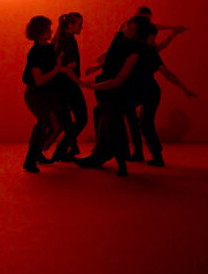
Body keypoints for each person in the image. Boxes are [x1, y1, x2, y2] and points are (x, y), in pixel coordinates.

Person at [76, 16, 152, 176]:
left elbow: (118, 80)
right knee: (105, 124)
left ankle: (119, 162)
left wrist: (92, 86)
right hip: (104, 88)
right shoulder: (119, 38)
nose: (126, 30)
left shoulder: (135, 52)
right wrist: (96, 69)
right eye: (127, 26)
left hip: (117, 91)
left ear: (138, 34)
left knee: (113, 125)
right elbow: (110, 57)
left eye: (131, 29)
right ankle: (99, 158)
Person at [125, 23, 197, 166]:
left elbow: (167, 73)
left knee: (145, 123)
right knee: (141, 122)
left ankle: (156, 156)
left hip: (150, 92)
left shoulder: (149, 52)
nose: (155, 42)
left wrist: (183, 87)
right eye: (152, 39)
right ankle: (147, 154)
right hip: (143, 90)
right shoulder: (137, 49)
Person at [22, 16, 80, 173]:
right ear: (39, 32)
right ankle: (30, 160)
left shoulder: (48, 49)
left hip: (47, 93)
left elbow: (54, 67)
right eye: (48, 29)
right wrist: (57, 70)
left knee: (56, 125)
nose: (51, 31)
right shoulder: (35, 53)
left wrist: (63, 67)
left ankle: (37, 154)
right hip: (35, 94)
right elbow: (39, 80)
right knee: (44, 122)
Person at [51, 13, 88, 161]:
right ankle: (62, 149)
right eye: (79, 25)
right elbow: (67, 68)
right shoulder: (69, 40)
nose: (81, 28)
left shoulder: (60, 38)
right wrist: (81, 82)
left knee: (67, 118)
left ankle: (69, 147)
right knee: (82, 118)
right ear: (70, 25)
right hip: (68, 84)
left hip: (58, 84)